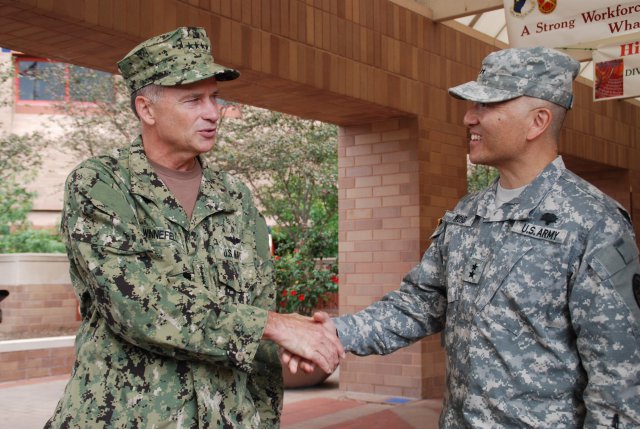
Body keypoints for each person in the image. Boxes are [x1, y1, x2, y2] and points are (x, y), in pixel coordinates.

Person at [287, 46, 640, 427]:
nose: (469, 117)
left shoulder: (594, 223)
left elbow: (619, 382)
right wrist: (334, 332)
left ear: (537, 122)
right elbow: (418, 305)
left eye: (487, 106)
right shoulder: (468, 214)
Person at [45, 26, 343, 429]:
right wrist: (275, 328)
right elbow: (139, 308)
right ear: (146, 109)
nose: (213, 112)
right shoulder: (101, 183)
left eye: (215, 97)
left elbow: (256, 313)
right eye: (193, 100)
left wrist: (298, 344)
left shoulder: (234, 196)